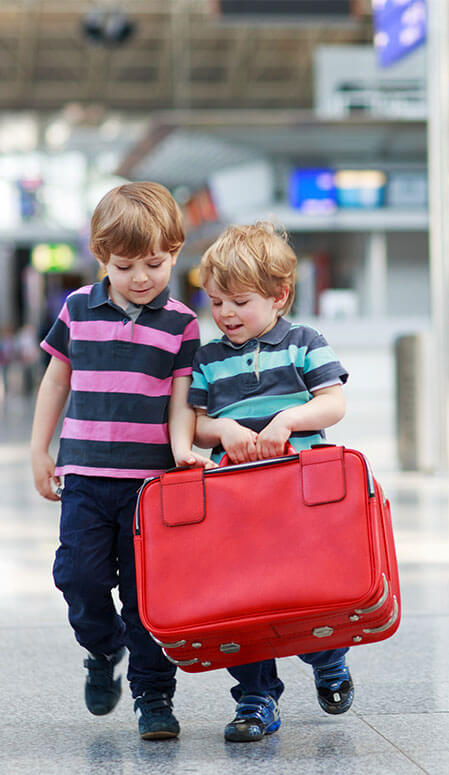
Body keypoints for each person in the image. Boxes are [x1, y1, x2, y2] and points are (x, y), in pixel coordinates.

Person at [29, 181, 205, 740]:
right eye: (125, 265)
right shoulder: (78, 307)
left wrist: (184, 455)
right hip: (84, 475)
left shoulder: (182, 323)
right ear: (100, 255)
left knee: (146, 596)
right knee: (77, 576)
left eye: (155, 263)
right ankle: (103, 651)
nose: (141, 278)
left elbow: (181, 399)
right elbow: (57, 379)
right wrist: (40, 450)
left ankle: (154, 699)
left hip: (150, 486)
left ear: (175, 252)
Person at [170, 221, 352, 743]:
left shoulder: (303, 343)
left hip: (298, 501)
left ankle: (327, 655)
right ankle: (256, 696)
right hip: (235, 505)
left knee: (301, 595)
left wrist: (287, 422)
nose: (225, 313)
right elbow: (195, 420)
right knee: (241, 602)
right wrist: (223, 428)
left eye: (239, 302)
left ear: (280, 296)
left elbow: (333, 402)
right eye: (216, 301)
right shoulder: (207, 358)